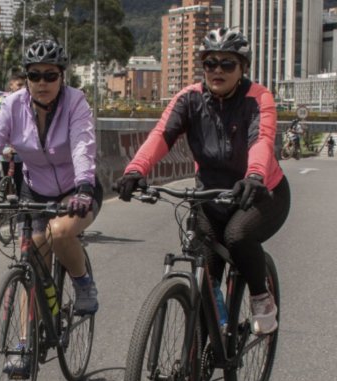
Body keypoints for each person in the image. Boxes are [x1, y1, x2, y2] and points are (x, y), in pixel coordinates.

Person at [115, 27, 290, 336]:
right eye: (210, 63)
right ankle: (209, 342)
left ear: (242, 68)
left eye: (227, 64)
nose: (217, 70)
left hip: (261, 193)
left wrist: (254, 176)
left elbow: (261, 140)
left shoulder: (258, 98)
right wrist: (135, 170)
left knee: (237, 237)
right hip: (211, 195)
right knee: (205, 270)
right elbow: (161, 135)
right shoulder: (189, 99)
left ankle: (261, 297)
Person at [0, 40, 102, 377]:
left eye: (50, 75)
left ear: (62, 76)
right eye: (35, 75)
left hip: (76, 189)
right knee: (31, 260)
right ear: (27, 77)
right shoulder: (11, 105)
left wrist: (82, 187)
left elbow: (82, 144)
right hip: (34, 189)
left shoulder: (76, 102)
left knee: (62, 232)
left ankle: (81, 282)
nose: (43, 82)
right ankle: (23, 343)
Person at [0, 70, 27, 196]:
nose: (22, 88)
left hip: (24, 155)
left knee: (24, 189)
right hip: (6, 154)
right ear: (11, 85)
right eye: (19, 85)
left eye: (25, 85)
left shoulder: (28, 102)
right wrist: (5, 149)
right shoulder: (1, 103)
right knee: (4, 189)